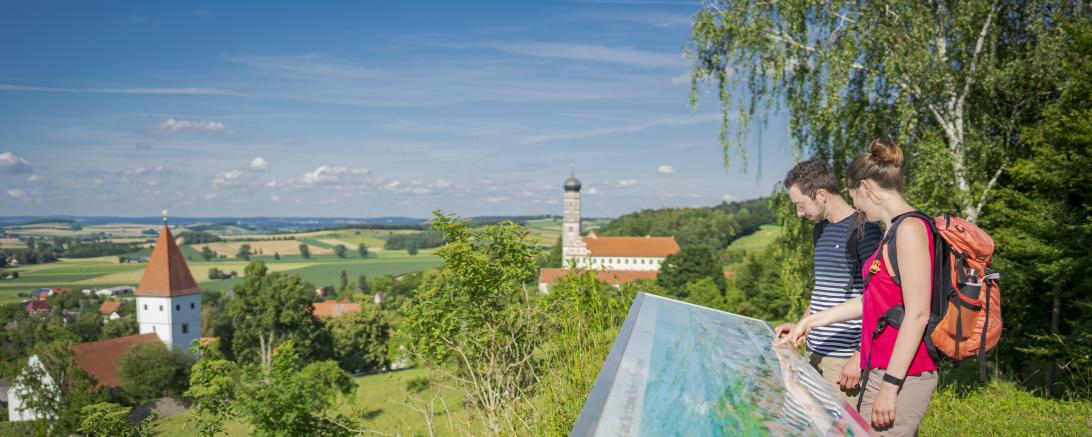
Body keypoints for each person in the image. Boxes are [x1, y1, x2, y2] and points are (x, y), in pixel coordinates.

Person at [776, 139, 938, 435]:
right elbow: (873, 301)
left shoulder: (909, 228)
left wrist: (888, 386)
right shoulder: (892, 231)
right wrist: (809, 322)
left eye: (854, 195)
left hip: (899, 371)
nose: (856, 205)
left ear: (866, 188)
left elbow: (916, 314)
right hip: (879, 364)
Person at [774, 158, 882, 406]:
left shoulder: (866, 230)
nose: (799, 213)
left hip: (843, 361)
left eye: (800, 205)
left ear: (821, 194)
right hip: (813, 353)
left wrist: (859, 356)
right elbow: (823, 290)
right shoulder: (820, 231)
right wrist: (801, 323)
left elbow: (877, 300)